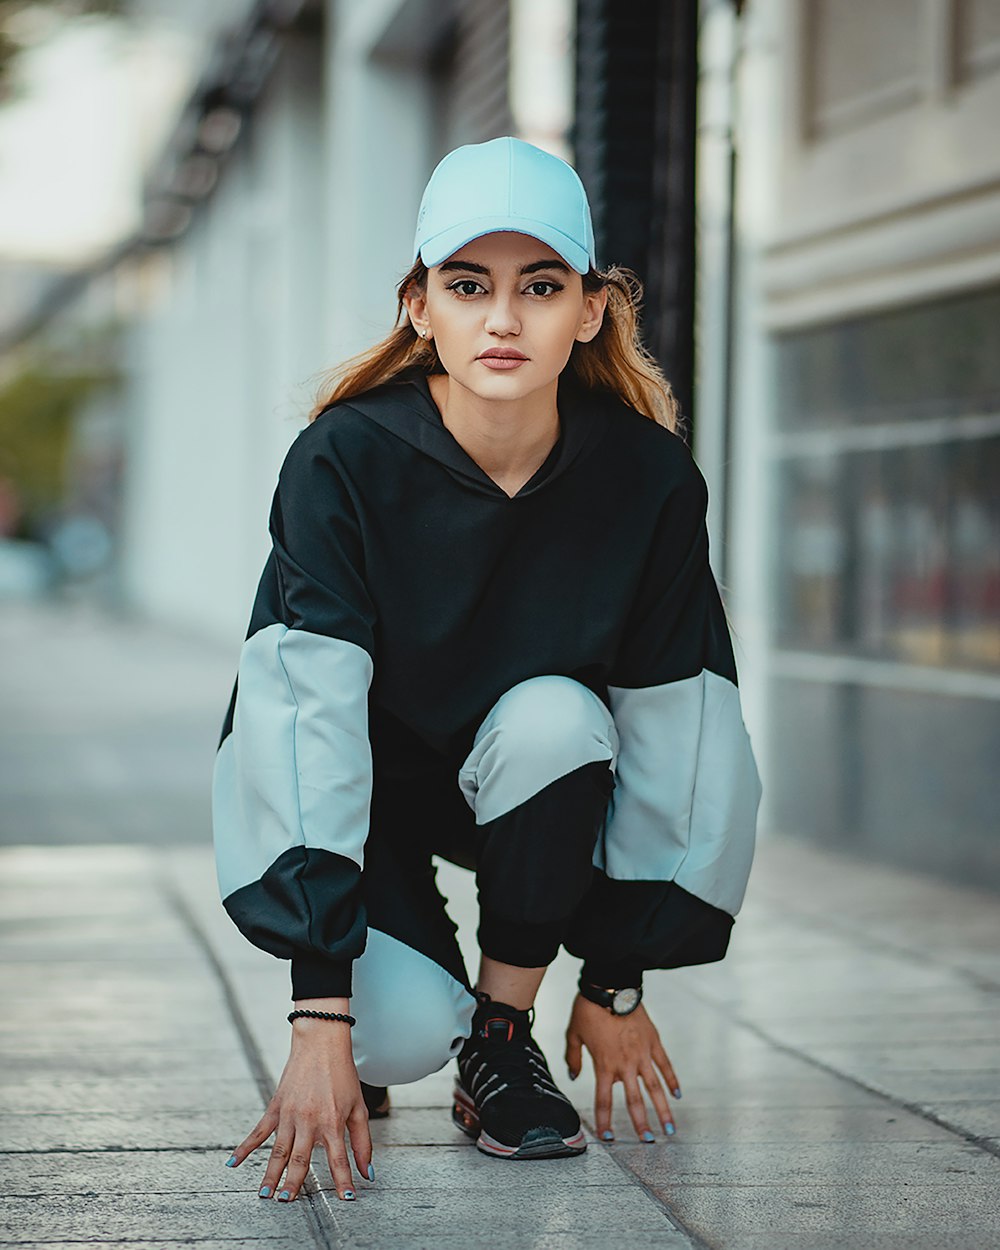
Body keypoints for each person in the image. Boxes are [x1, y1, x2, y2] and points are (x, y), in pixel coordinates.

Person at [214, 136, 762, 1205]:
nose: (503, 319)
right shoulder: (343, 457)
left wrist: (612, 973)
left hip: (519, 781)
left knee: (564, 715)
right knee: (396, 1035)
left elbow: (676, 720)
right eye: (469, 286)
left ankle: (501, 1037)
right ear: (420, 305)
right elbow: (303, 716)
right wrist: (319, 1012)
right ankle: (404, 1008)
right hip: (363, 792)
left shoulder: (645, 476)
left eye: (540, 286)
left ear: (590, 310)